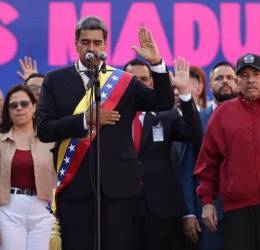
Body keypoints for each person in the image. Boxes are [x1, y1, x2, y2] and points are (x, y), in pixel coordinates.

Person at [37, 16, 174, 250]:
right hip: (75, 186)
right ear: (76, 43)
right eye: (85, 42)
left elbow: (163, 103)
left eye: (97, 43)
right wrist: (84, 120)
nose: (92, 48)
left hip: (119, 188)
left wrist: (157, 64)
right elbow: (44, 129)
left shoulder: (124, 81)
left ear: (105, 45)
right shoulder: (55, 80)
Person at [194, 53, 260, 250]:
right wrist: (207, 201)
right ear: (237, 81)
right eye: (244, 75)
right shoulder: (223, 113)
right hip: (238, 209)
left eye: (256, 74)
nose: (250, 80)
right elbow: (208, 161)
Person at [124, 57, 202, 250]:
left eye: (143, 79)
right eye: (133, 80)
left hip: (161, 212)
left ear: (151, 82)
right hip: (122, 210)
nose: (138, 84)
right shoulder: (111, 117)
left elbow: (193, 133)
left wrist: (184, 92)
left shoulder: (166, 114)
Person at [180, 61, 238, 250]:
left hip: (243, 211)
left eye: (230, 77)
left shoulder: (250, 118)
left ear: (237, 83)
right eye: (219, 78)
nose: (225, 82)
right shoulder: (197, 121)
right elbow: (187, 168)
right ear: (210, 85)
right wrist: (188, 213)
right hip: (207, 212)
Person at [0, 84, 56, 250]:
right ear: (8, 112)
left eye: (24, 104)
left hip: (44, 210)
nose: (19, 108)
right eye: (13, 105)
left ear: (34, 107)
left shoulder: (51, 139)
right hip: (8, 209)